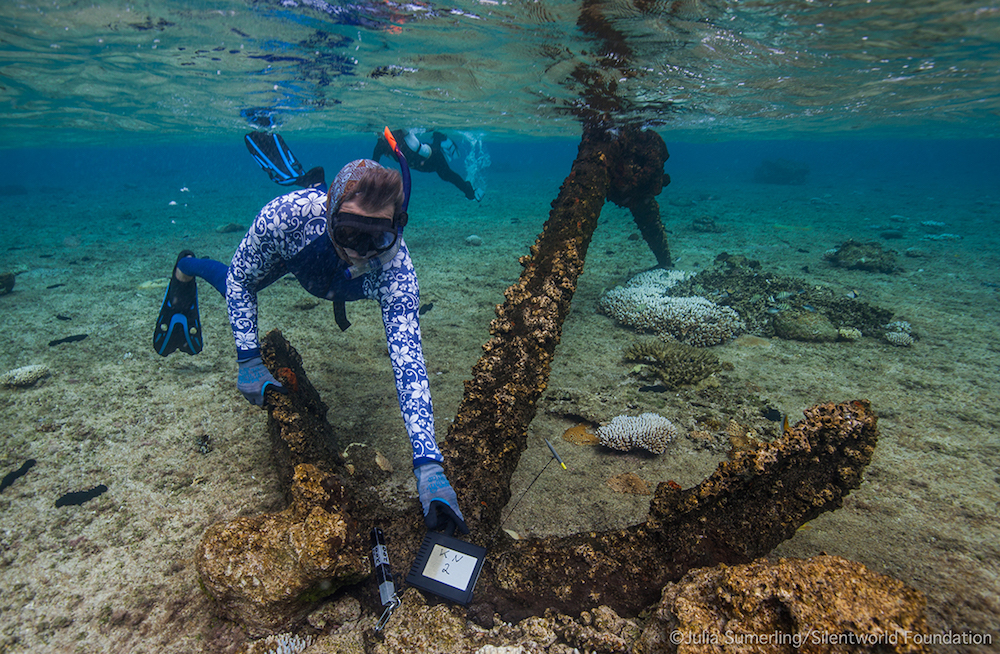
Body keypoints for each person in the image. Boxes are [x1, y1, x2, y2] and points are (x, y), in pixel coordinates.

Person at [152, 130, 468, 536]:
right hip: (296, 254)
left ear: (396, 229)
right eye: (351, 232)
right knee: (233, 275)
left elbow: (409, 361)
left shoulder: (395, 270)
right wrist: (248, 357)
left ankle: (316, 183)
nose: (361, 251)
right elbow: (240, 284)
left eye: (377, 237)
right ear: (330, 216)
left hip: (325, 265)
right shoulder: (285, 217)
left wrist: (428, 464)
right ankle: (186, 266)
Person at [373, 128, 482, 201]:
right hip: (420, 163)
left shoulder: (400, 134)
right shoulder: (380, 146)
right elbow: (374, 165)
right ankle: (438, 137)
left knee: (446, 175)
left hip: (432, 158)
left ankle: (469, 191)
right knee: (444, 173)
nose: (379, 135)